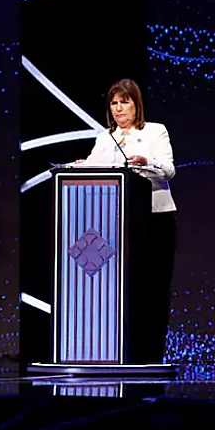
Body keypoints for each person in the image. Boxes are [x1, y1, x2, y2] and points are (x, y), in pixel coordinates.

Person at [79, 79, 176, 363]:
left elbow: (169, 170)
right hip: (113, 227)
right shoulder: (104, 138)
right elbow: (93, 167)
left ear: (137, 104)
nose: (118, 108)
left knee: (151, 289)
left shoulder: (155, 131)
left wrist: (146, 163)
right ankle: (112, 352)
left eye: (125, 102)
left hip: (154, 221)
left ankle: (149, 355)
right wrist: (80, 167)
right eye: (113, 103)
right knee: (118, 292)